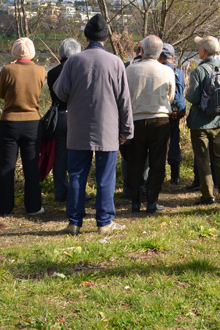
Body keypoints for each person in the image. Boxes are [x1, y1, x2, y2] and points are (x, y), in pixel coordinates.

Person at [54, 13, 134, 235]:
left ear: (86, 37)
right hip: (108, 129)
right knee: (106, 177)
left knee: (77, 174)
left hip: (78, 127)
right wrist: (127, 129)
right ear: (105, 39)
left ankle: (74, 222)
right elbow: (124, 99)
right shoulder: (116, 62)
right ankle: (105, 222)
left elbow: (60, 92)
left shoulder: (73, 61)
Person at [0, 37, 46, 217]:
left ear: (14, 52)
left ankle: (4, 208)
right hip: (32, 122)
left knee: (6, 166)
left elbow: (0, 92)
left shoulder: (7, 70)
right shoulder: (40, 70)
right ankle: (33, 207)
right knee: (31, 167)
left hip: (9, 122)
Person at [124, 35, 175, 213]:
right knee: (157, 162)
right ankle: (152, 201)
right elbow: (171, 96)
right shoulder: (167, 71)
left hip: (135, 119)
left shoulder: (130, 70)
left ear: (142, 50)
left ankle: (136, 202)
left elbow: (124, 97)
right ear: (160, 52)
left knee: (134, 162)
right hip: (159, 118)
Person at [185, 35, 220, 205]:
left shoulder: (199, 71)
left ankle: (208, 196)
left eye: (199, 47)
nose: (198, 50)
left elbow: (193, 97)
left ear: (204, 51)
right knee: (219, 158)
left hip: (200, 122)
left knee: (203, 159)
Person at [47, 38, 82, 203]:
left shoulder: (52, 72)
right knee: (79, 156)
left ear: (61, 53)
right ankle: (78, 192)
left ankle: (60, 192)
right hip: (77, 116)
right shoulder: (81, 70)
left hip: (59, 116)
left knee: (60, 157)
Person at [159, 43, 186, 186]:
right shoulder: (179, 72)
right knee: (174, 141)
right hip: (177, 111)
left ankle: (160, 175)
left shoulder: (159, 70)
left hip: (162, 112)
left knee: (161, 144)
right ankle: (175, 176)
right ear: (173, 56)